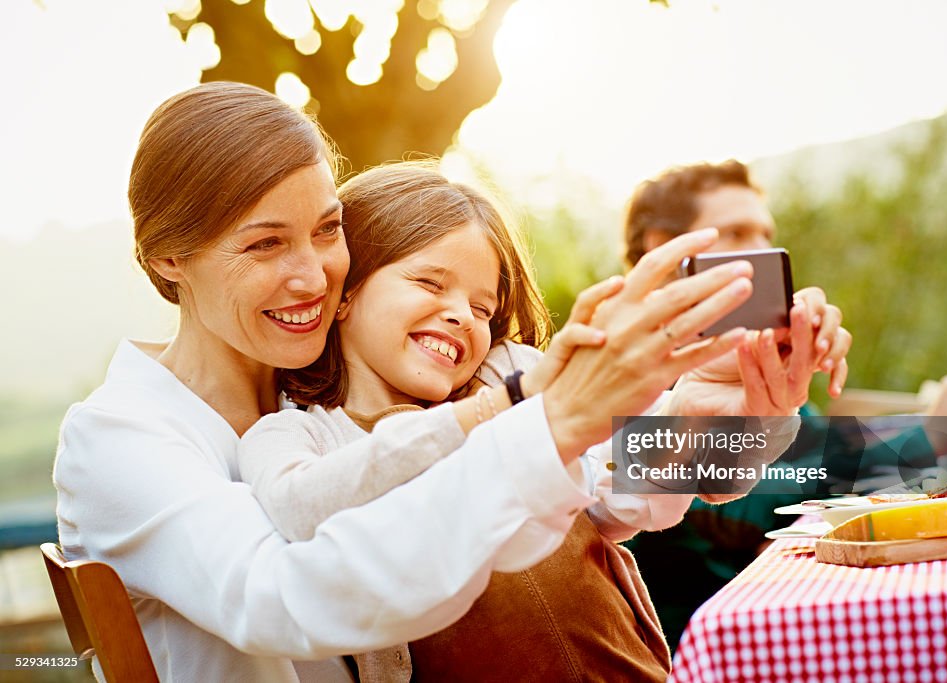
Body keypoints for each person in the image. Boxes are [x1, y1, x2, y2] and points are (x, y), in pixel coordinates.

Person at [52, 83, 845, 682]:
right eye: (264, 244)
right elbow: (284, 594)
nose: (311, 275)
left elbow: (635, 484)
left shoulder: (320, 391)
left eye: (329, 230)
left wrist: (735, 405)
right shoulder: (128, 437)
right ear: (169, 257)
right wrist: (526, 412)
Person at [622, 159, 947, 644]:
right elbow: (763, 505)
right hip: (716, 650)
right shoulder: (631, 374)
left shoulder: (743, 351)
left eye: (765, 233)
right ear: (663, 249)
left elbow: (818, 453)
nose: (761, 251)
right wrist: (932, 430)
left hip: (805, 621)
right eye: (735, 233)